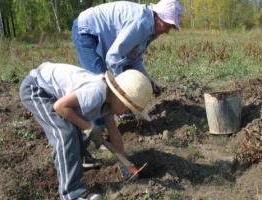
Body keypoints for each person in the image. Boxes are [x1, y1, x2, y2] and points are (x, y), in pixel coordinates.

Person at [19, 62, 153, 200]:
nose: (128, 112)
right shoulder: (95, 93)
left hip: (56, 96)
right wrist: (88, 126)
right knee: (66, 133)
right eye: (129, 108)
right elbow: (60, 106)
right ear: (120, 98)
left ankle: (81, 158)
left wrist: (125, 164)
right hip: (37, 89)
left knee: (82, 125)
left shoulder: (109, 100)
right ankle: (71, 192)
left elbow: (114, 133)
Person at [71, 0, 184, 163]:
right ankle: (101, 133)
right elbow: (114, 57)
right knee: (99, 83)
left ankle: (119, 113)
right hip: (86, 31)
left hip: (98, 34)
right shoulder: (141, 24)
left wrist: (147, 77)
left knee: (113, 88)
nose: (167, 31)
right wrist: (121, 89)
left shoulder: (151, 28)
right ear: (159, 17)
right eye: (168, 25)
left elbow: (131, 57)